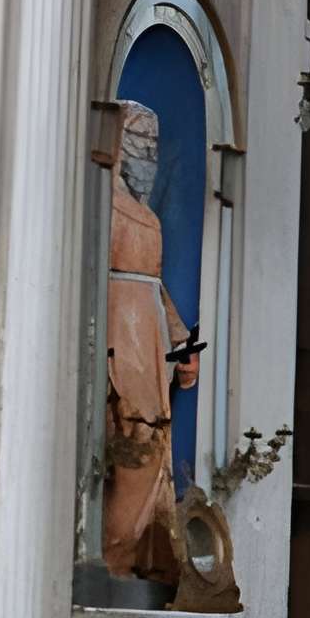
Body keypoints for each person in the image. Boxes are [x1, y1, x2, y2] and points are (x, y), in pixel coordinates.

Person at [100, 101, 198, 583]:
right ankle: (112, 555)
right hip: (121, 340)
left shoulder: (145, 217)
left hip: (147, 344)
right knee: (133, 443)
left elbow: (154, 287)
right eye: (140, 145)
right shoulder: (104, 210)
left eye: (152, 149)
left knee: (151, 443)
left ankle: (134, 555)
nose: (147, 160)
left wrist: (181, 343)